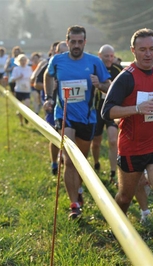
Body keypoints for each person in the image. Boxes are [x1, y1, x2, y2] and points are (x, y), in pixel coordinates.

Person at [101, 28, 153, 265]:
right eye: (142, 50)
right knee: (125, 196)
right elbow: (107, 110)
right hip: (132, 148)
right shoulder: (126, 77)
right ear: (133, 51)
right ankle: (117, 225)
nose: (148, 54)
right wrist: (136, 109)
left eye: (151, 49)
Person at [43, 25, 111, 219]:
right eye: (73, 41)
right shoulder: (57, 60)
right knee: (69, 159)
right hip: (64, 115)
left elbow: (109, 86)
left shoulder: (94, 62)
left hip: (87, 118)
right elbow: (48, 75)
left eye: (80, 42)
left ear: (85, 42)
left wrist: (100, 84)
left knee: (81, 160)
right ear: (67, 41)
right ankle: (74, 204)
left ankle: (78, 189)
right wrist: (48, 96)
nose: (76, 45)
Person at [91, 44, 122, 182]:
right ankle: (96, 163)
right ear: (99, 56)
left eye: (111, 56)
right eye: (106, 56)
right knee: (96, 142)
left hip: (112, 109)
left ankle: (113, 172)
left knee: (113, 140)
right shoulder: (94, 69)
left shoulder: (118, 70)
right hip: (97, 109)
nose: (109, 59)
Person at [39, 41, 68, 175]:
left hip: (69, 108)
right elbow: (36, 83)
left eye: (66, 52)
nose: (64, 55)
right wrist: (49, 94)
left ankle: (66, 162)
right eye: (61, 52)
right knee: (55, 137)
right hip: (53, 106)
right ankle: (54, 163)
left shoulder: (75, 65)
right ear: (56, 53)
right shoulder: (49, 65)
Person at [10, 54, 32, 126]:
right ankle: (21, 122)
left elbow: (31, 78)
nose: (23, 62)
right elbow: (12, 80)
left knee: (27, 105)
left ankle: (26, 116)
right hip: (18, 90)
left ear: (26, 61)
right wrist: (19, 77)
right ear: (19, 61)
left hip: (27, 90)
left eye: (24, 60)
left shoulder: (29, 68)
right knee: (20, 107)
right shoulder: (16, 69)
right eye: (21, 60)